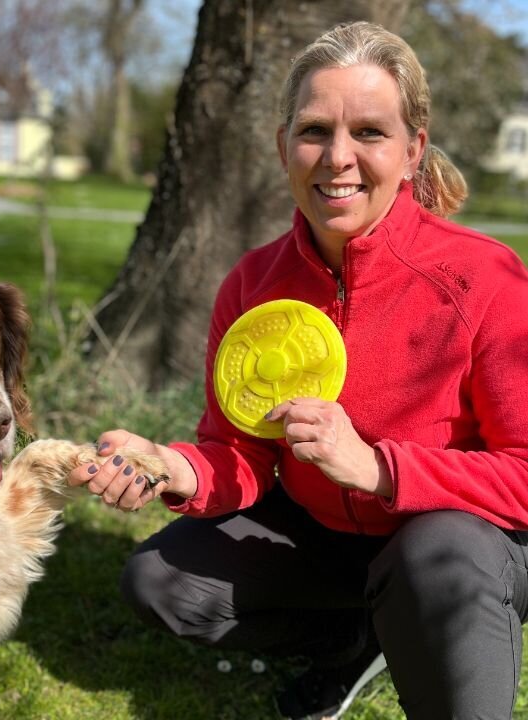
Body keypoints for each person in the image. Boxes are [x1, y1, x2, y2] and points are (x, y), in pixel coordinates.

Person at [68, 21, 528, 720]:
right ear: (284, 146)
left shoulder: (484, 280)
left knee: (437, 552)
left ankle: (427, 638)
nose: (337, 158)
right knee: (160, 581)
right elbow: (241, 453)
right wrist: (170, 465)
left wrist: (378, 469)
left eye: (370, 133)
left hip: (456, 545)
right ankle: (355, 638)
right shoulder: (253, 284)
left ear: (412, 151)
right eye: (315, 131)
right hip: (325, 537)